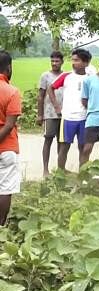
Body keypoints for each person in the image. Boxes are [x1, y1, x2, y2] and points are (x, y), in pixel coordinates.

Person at [48, 48, 92, 170]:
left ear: (86, 63)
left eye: (77, 60)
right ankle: (60, 174)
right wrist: (57, 106)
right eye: (72, 60)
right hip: (68, 118)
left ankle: (82, 175)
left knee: (83, 147)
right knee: (64, 147)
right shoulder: (66, 76)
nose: (73, 63)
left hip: (84, 118)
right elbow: (50, 88)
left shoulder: (90, 78)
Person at [0, 51, 21, 226]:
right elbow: (8, 125)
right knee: (5, 188)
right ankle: (1, 225)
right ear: (9, 68)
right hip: (6, 148)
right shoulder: (12, 91)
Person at [37, 51, 64, 177]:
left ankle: (60, 169)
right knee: (48, 140)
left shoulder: (65, 76)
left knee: (62, 141)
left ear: (62, 62)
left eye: (57, 61)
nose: (54, 63)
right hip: (49, 113)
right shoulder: (45, 76)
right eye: (52, 61)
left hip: (63, 114)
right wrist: (40, 115)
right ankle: (45, 169)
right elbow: (41, 97)